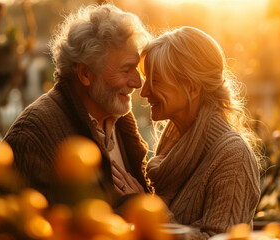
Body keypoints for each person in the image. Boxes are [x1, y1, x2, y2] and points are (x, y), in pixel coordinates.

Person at [112, 26, 261, 239]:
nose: (144, 92)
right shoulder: (175, 145)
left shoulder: (233, 157)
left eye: (155, 81)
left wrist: (147, 209)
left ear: (191, 87)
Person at [3, 4, 151, 207]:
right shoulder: (31, 138)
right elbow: (39, 228)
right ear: (85, 74)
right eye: (126, 70)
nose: (137, 82)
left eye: (136, 69)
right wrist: (131, 209)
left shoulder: (118, 117)